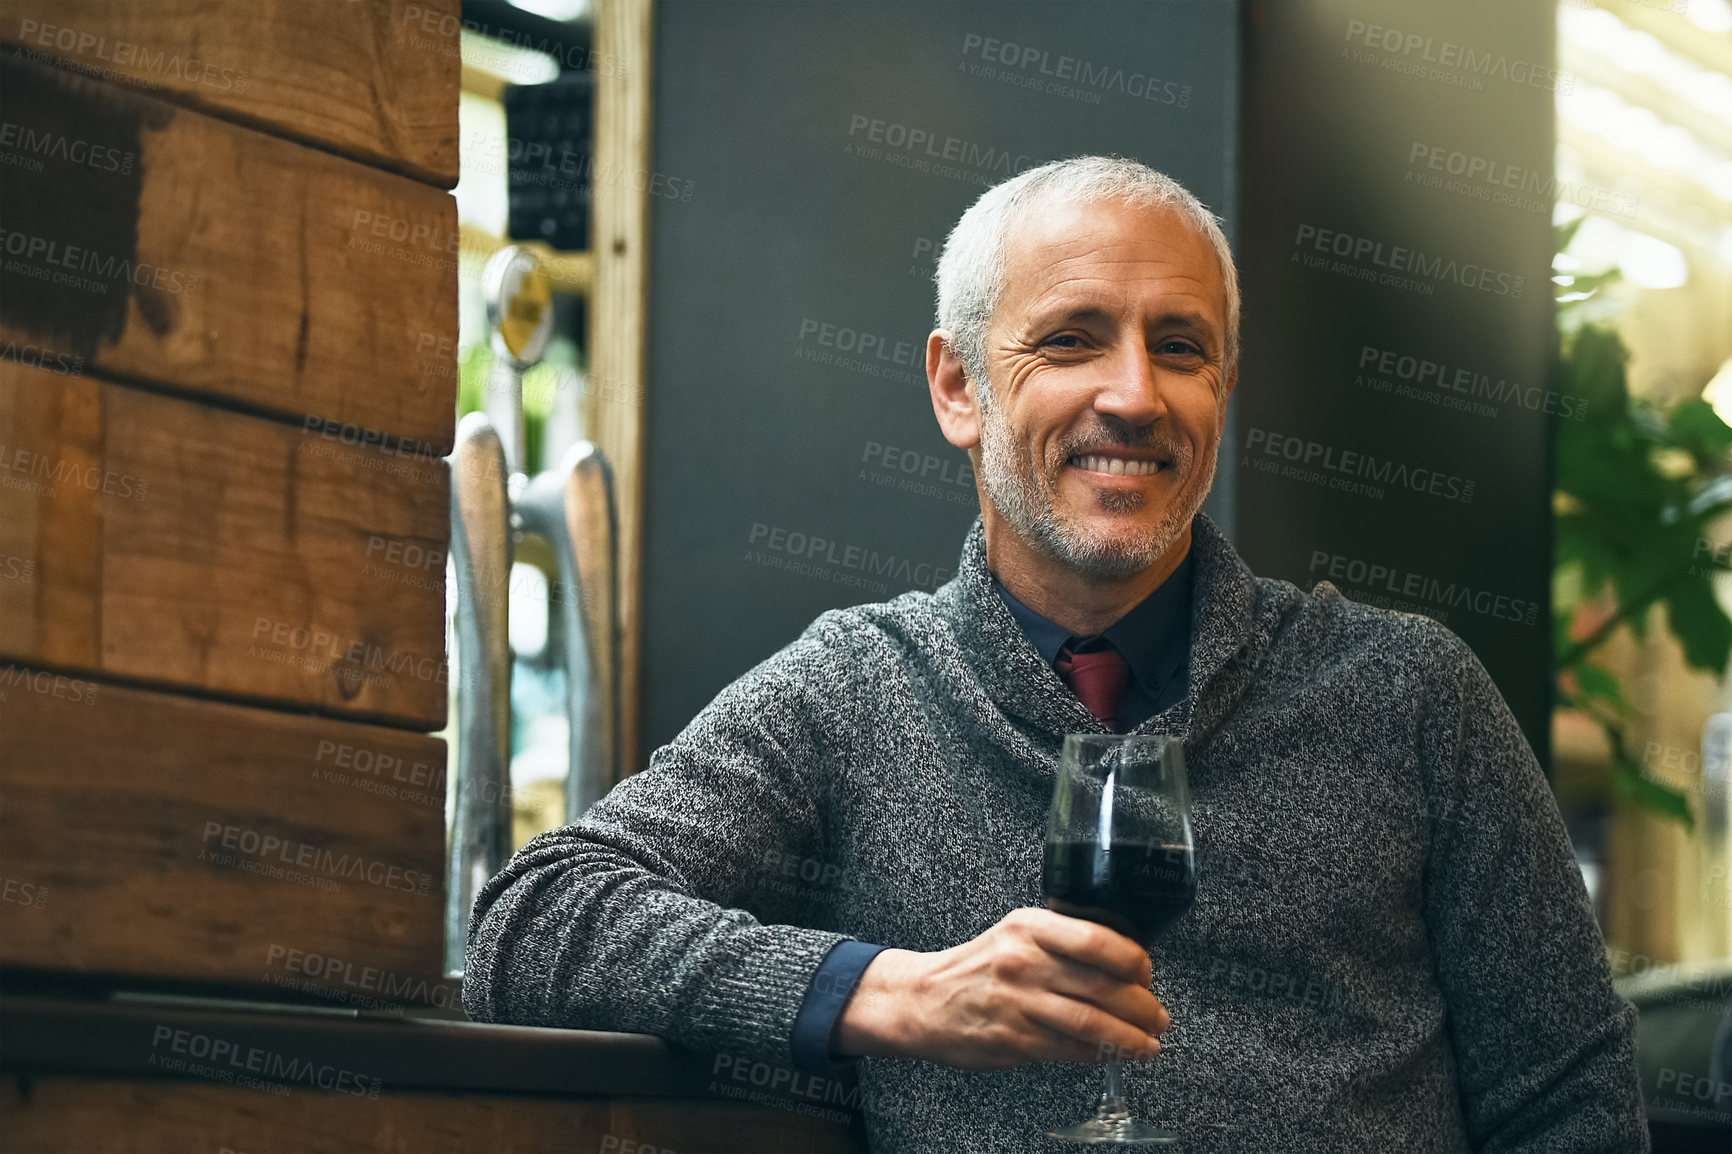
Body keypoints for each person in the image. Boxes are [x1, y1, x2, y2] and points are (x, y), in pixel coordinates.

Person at [463, 156, 1648, 1152]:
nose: (1132, 394)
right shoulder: (853, 694)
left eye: (1179, 347)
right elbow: (533, 918)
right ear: (957, 385)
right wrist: (891, 991)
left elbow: (1573, 1101)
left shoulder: (1408, 694)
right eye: (1072, 339)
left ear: (1222, 389)